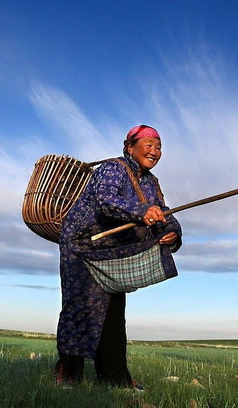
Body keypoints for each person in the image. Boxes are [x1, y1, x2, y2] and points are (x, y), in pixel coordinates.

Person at [55, 125, 182, 389]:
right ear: (129, 147)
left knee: (113, 314)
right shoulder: (113, 169)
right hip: (81, 246)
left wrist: (172, 230)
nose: (154, 151)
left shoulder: (151, 182)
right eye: (148, 145)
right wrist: (142, 211)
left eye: (158, 147)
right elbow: (106, 200)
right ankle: (68, 375)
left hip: (110, 253)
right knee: (79, 309)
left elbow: (162, 212)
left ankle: (115, 378)